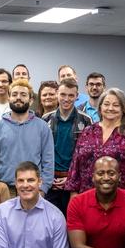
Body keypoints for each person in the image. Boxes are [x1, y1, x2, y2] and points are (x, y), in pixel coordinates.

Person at [66, 88, 125, 196]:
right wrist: (74, 195)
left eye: (116, 105)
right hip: (86, 197)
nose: (110, 108)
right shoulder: (87, 132)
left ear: (123, 108)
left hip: (120, 198)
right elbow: (75, 166)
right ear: (100, 107)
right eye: (106, 104)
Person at [0, 78, 54, 194]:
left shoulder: (43, 127)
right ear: (9, 97)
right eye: (14, 94)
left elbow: (48, 162)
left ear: (31, 100)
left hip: (33, 189)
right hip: (4, 189)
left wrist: (43, 189)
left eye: (23, 94)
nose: (18, 97)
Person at [45, 77, 92, 214]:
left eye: (71, 95)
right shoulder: (45, 119)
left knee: (72, 223)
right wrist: (48, 177)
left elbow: (88, 156)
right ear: (57, 94)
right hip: (50, 181)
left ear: (77, 96)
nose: (66, 99)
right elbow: (40, 153)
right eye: (63, 94)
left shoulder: (86, 120)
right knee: (50, 224)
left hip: (74, 183)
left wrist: (71, 178)